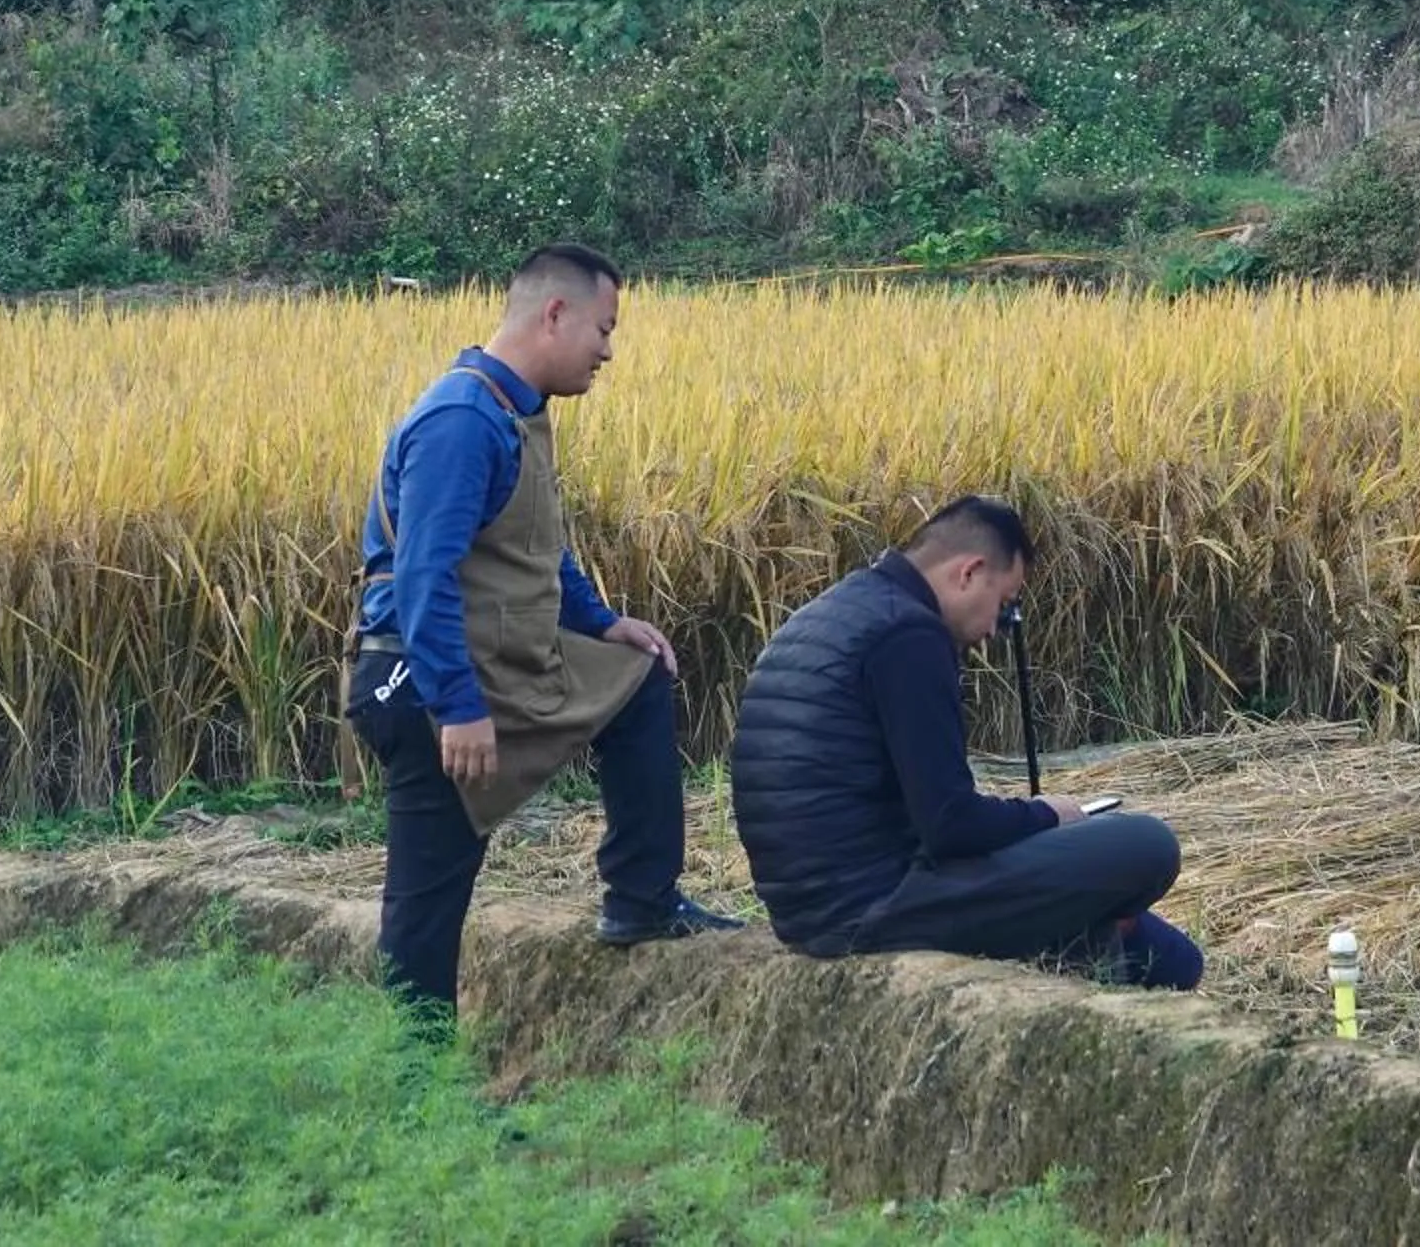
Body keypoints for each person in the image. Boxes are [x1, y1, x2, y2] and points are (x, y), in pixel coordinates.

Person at [343, 242, 736, 1024]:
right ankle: (415, 1092)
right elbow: (424, 576)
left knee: (638, 677)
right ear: (555, 314)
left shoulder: (512, 411)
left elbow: (537, 552)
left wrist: (602, 624)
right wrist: (455, 707)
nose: (609, 351)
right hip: (422, 682)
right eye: (603, 328)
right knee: (428, 905)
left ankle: (641, 900)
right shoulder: (462, 421)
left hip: (501, 663)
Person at [728, 496, 1202, 988]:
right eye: (1003, 604)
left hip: (811, 909)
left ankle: (1094, 943)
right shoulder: (909, 635)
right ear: (970, 572)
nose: (995, 630)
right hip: (869, 909)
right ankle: (1089, 954)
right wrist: (1050, 816)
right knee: (1146, 844)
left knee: (1171, 956)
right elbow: (950, 826)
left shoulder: (834, 613)